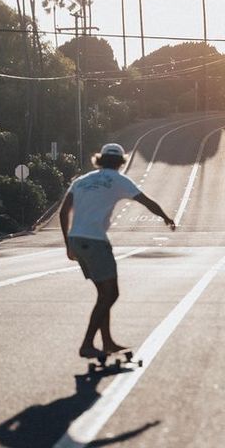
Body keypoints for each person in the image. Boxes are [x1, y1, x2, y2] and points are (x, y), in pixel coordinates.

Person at [59, 143, 175, 359]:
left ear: (100, 159)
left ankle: (107, 343)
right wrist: (165, 217)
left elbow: (64, 211)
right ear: (121, 162)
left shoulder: (82, 180)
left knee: (103, 294)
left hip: (77, 239)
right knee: (111, 294)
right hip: (95, 240)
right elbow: (146, 201)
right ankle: (86, 344)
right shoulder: (119, 180)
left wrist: (68, 244)